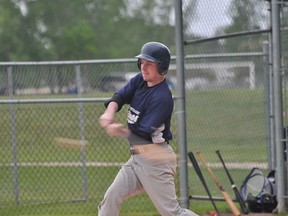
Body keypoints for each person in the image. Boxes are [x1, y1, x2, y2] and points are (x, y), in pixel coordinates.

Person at [98, 41, 198, 216]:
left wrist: (119, 130)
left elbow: (143, 135)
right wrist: (110, 111)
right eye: (142, 63)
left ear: (162, 67)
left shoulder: (162, 97)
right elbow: (120, 96)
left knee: (171, 213)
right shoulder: (140, 81)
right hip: (137, 159)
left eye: (149, 64)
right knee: (111, 198)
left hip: (156, 159)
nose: (144, 68)